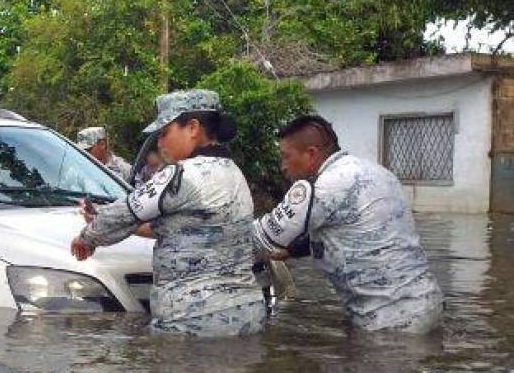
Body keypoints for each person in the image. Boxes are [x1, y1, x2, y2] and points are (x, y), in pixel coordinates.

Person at [71, 90, 266, 336]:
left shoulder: (181, 174)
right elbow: (184, 230)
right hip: (248, 315)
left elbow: (125, 212)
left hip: (193, 319)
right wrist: (100, 217)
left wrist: (87, 237)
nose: (160, 143)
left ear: (192, 128)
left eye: (164, 133)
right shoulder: (234, 173)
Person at [252, 115, 443, 333]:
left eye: (286, 157)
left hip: (387, 320)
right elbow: (354, 232)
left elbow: (262, 239)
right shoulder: (379, 172)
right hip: (427, 304)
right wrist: (291, 251)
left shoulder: (322, 187)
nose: (282, 166)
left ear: (311, 153)